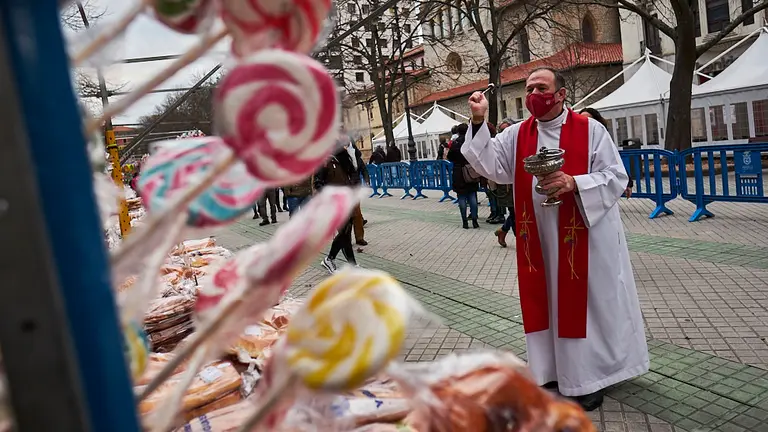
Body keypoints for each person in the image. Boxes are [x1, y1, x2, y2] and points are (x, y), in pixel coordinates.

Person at [462, 67, 648, 411]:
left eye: (541, 87)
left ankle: (588, 378)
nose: (533, 93)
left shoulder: (590, 130)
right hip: (539, 240)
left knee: (585, 306)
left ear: (561, 94)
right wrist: (478, 120)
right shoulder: (518, 134)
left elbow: (615, 177)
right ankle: (549, 371)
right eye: (529, 87)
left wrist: (574, 183)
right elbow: (489, 164)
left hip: (585, 237)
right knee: (545, 300)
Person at [315, 146, 358, 273]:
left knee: (346, 234)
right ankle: (329, 259)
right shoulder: (325, 162)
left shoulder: (343, 162)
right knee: (344, 232)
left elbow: (352, 176)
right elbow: (318, 183)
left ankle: (352, 265)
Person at [579, 108, 633, 198]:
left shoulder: (601, 138)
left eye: (589, 120)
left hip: (599, 187)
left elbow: (614, 162)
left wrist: (628, 183)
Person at [447, 123, 479, 229]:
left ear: (458, 132)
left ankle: (465, 221)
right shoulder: (471, 142)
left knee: (461, 197)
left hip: (458, 172)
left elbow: (450, 157)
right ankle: (474, 220)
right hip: (471, 170)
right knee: (472, 195)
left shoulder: (455, 143)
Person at [493, 118, 517, 247]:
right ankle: (520, 239)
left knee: (520, 212)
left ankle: (503, 230)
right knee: (514, 213)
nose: (504, 132)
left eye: (507, 129)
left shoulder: (520, 141)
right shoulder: (499, 145)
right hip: (507, 186)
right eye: (502, 130)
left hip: (521, 184)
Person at [345, 139, 370, 246]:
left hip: (355, 187)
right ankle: (346, 239)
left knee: (357, 214)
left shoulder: (356, 156)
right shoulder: (339, 156)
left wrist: (366, 179)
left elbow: (363, 169)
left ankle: (359, 238)